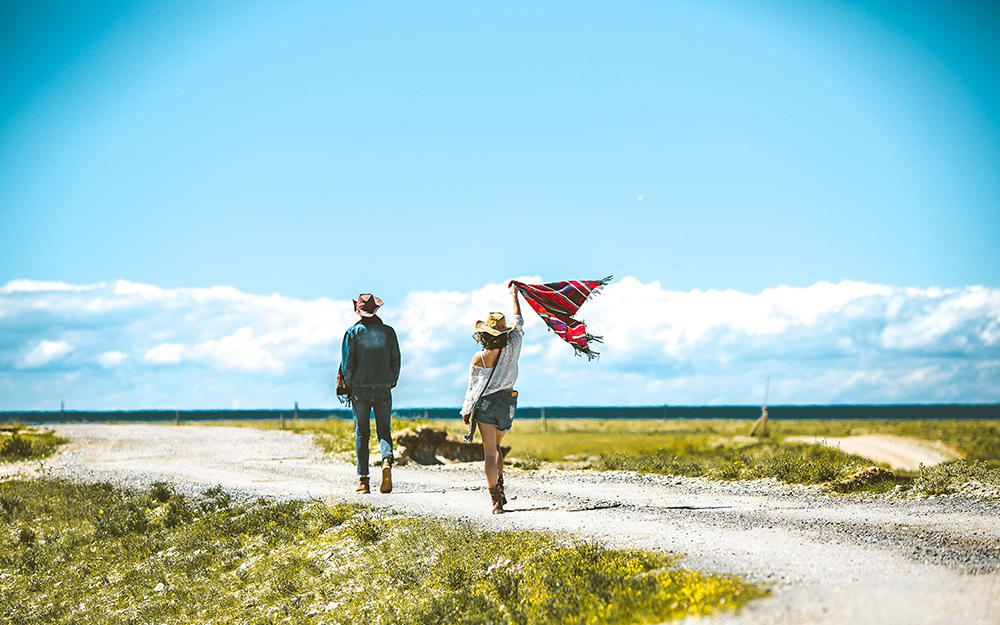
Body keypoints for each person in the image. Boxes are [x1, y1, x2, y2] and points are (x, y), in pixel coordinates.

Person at [460, 284, 524, 514]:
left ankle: (496, 499)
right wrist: (514, 296)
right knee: (497, 447)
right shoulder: (514, 344)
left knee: (489, 452)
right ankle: (501, 488)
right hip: (507, 402)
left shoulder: (480, 357)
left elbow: (472, 389)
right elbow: (518, 320)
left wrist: (466, 410)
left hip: (486, 403)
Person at [339, 293, 401, 494]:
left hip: (360, 388)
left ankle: (364, 481)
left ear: (359, 311)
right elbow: (396, 360)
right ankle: (386, 461)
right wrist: (391, 381)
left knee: (362, 433)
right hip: (384, 386)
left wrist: (349, 384)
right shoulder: (389, 332)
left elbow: (348, 364)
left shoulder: (352, 333)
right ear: (376, 310)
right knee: (384, 431)